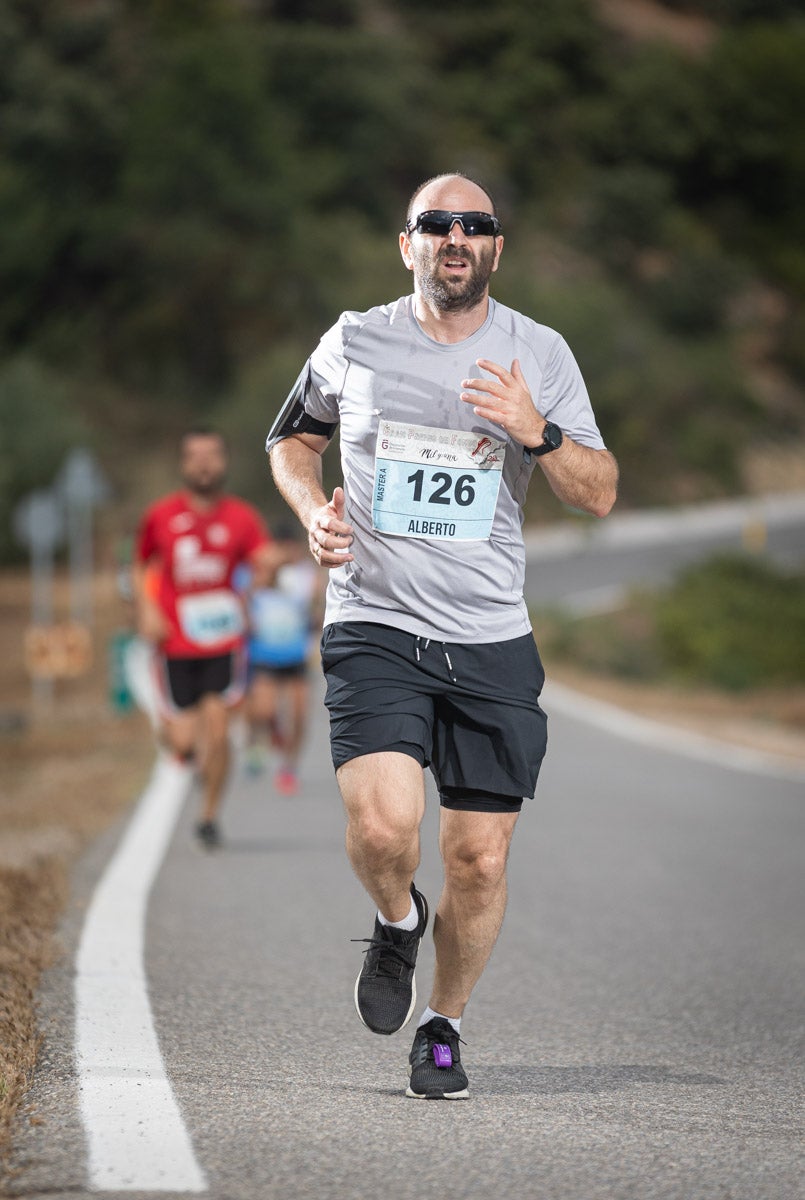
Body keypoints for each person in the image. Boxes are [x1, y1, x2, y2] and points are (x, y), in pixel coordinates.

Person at [266, 173, 618, 1098]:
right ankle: (394, 920)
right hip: (374, 616)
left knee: (480, 855)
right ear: (406, 244)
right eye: (436, 224)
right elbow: (291, 441)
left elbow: (599, 490)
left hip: (490, 633)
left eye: (475, 225)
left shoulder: (539, 352)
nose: (455, 237)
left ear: (496, 248)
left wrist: (534, 431)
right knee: (385, 827)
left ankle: (444, 1024)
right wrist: (309, 511)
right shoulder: (354, 338)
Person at [133, 427, 272, 848]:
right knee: (182, 741)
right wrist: (148, 609)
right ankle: (182, 746)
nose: (204, 464)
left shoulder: (241, 517)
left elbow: (262, 561)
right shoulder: (161, 515)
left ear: (224, 462)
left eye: (212, 455)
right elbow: (140, 566)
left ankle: (208, 816)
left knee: (218, 730)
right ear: (183, 463)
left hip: (222, 642)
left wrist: (257, 583)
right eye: (195, 456)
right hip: (174, 641)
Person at [239, 523, 324, 794]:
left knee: (299, 715)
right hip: (263, 653)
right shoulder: (255, 572)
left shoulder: (306, 575)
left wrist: (316, 605)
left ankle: (289, 767)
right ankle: (259, 739)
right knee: (264, 710)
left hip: (295, 654)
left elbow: (315, 613)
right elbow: (243, 596)